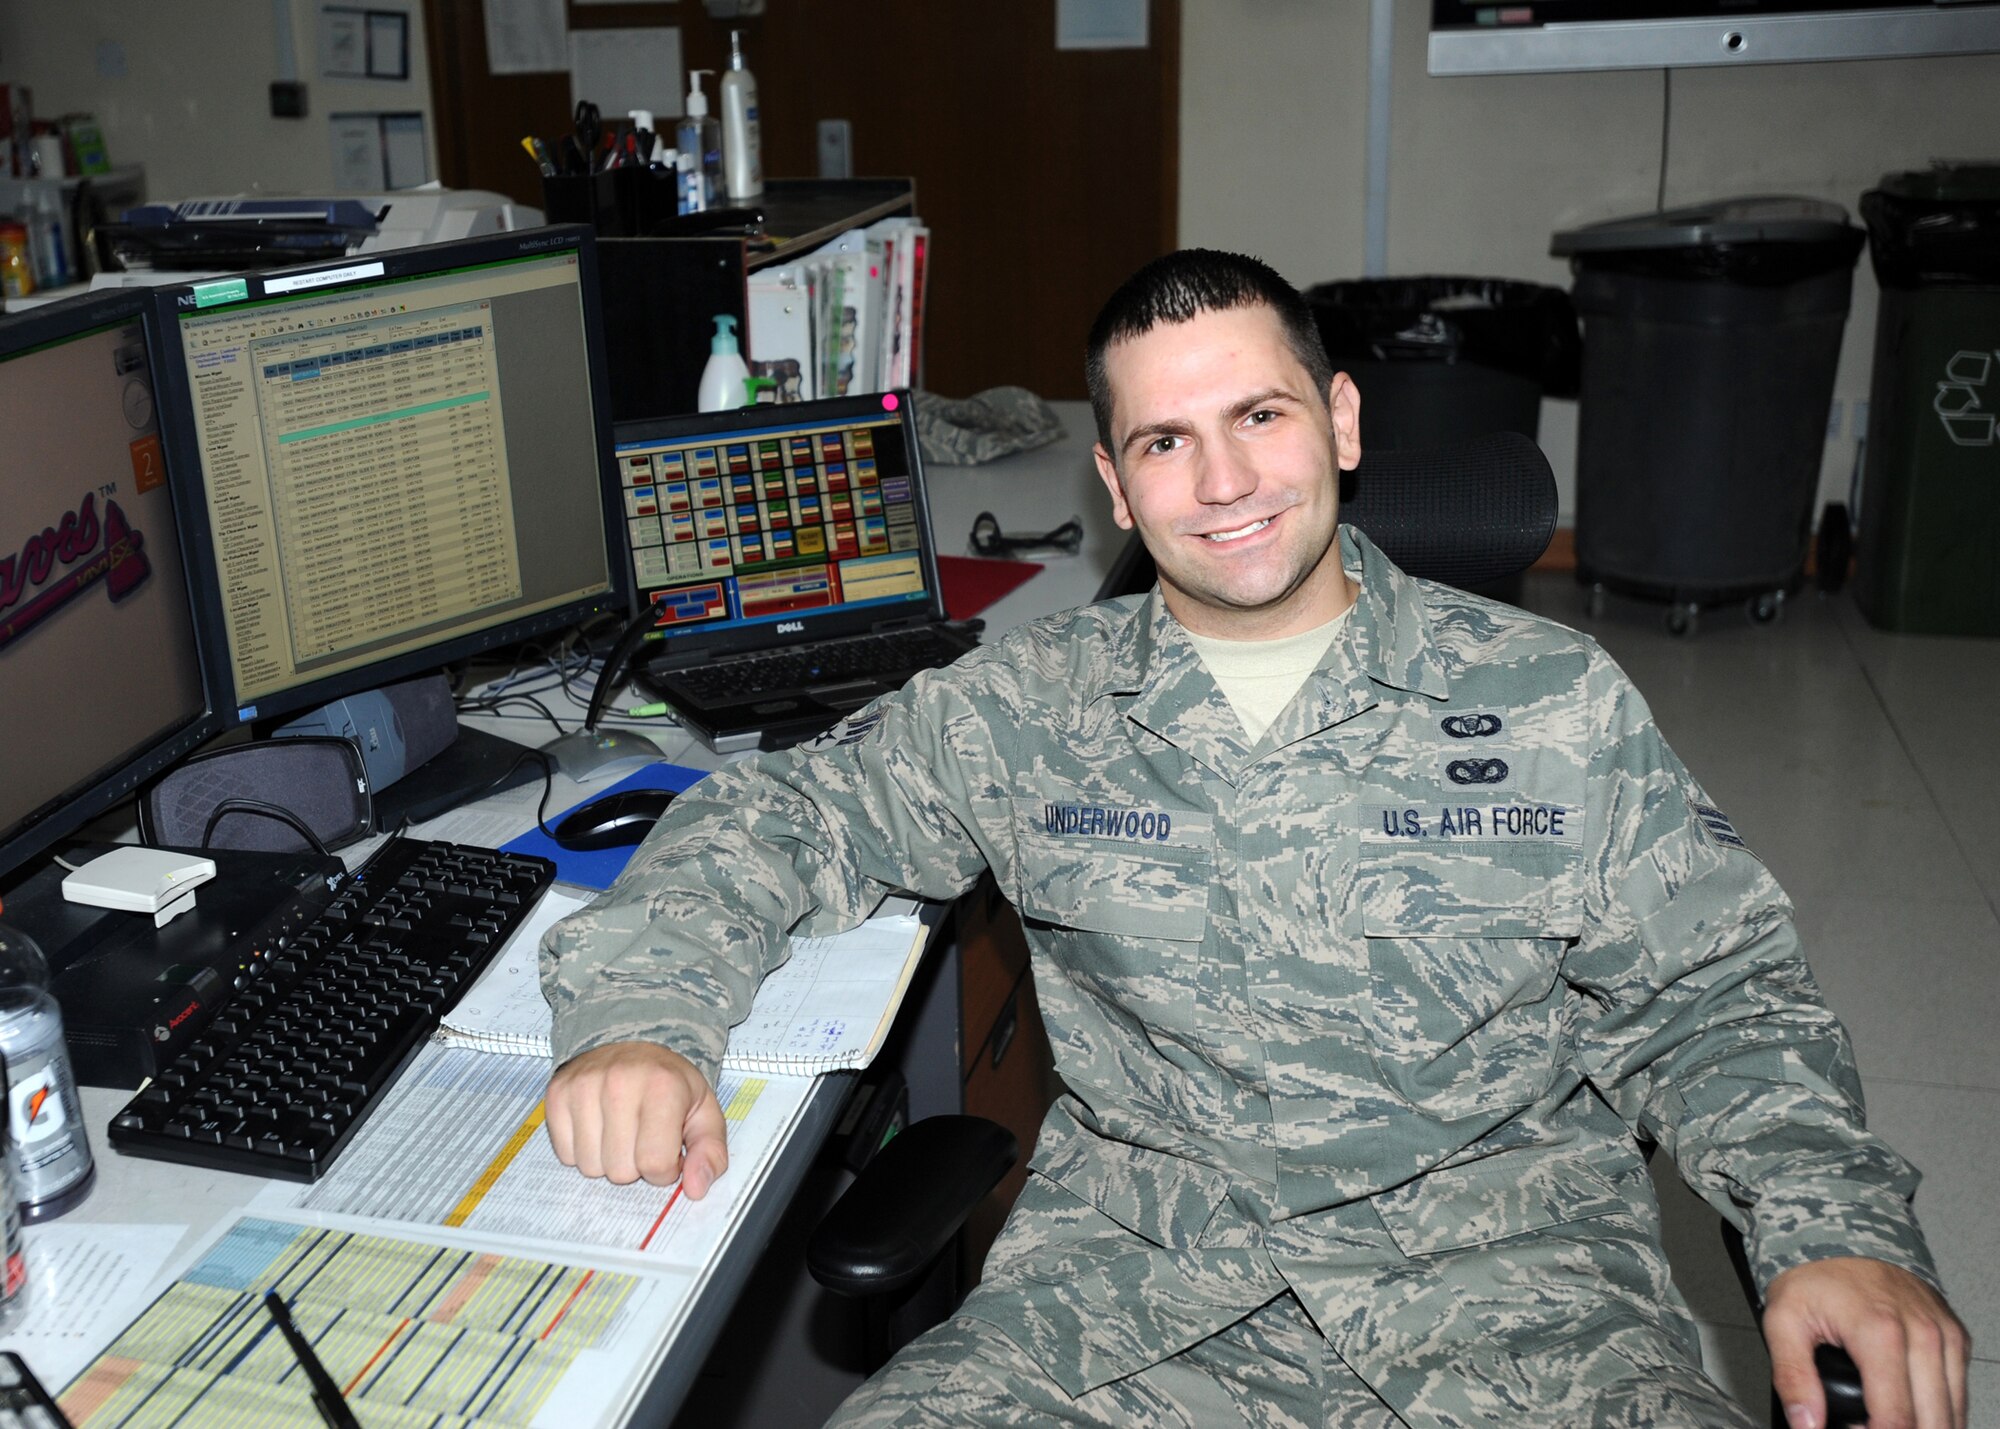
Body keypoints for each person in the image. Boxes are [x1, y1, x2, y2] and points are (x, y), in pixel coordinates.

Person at [540, 250, 1969, 1428]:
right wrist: (643, 1017)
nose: (1222, 482)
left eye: (1261, 418)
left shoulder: (1547, 699)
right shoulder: (1035, 707)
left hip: (1518, 1317)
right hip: (1131, 1313)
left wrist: (1835, 1227)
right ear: (1115, 482)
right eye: (1168, 440)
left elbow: (1717, 995)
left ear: (1343, 421)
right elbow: (784, 810)